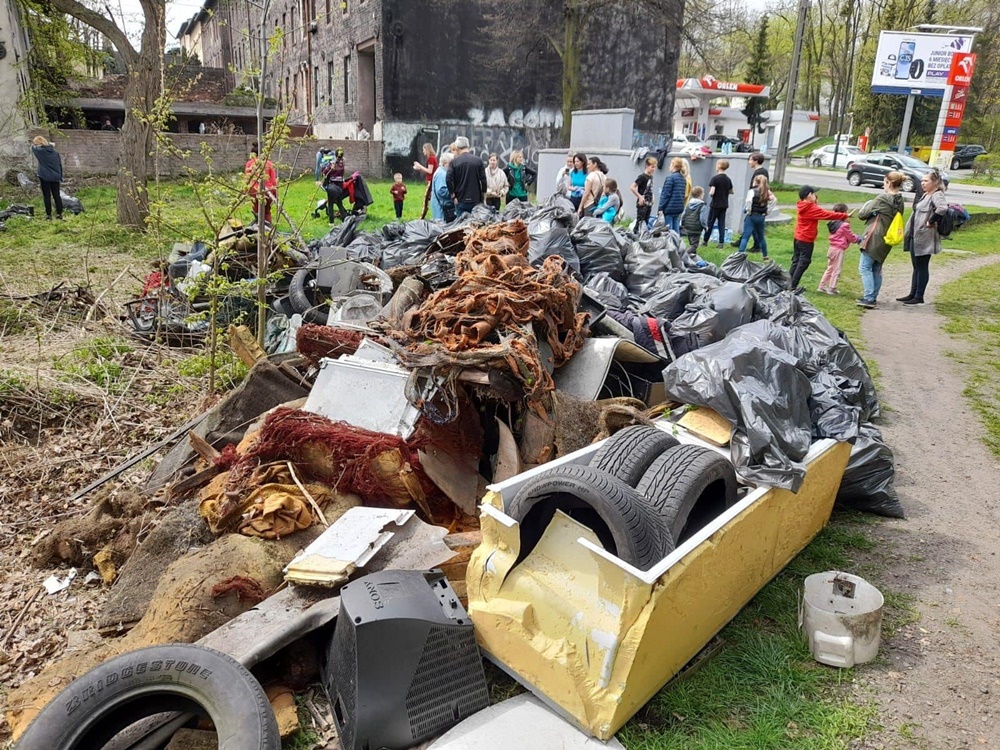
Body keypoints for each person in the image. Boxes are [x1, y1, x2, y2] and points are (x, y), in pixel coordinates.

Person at [856, 172, 905, 308]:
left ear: (889, 183)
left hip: (874, 236)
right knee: (876, 268)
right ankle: (873, 296)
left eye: (884, 182)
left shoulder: (882, 198)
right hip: (887, 237)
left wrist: (869, 206)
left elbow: (862, 215)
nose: (884, 185)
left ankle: (869, 298)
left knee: (865, 267)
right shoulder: (900, 200)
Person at [899, 169, 948, 305]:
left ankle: (919, 296)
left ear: (935, 182)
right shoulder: (926, 195)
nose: (922, 183)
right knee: (916, 266)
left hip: (925, 236)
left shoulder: (937, 195)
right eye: (922, 180)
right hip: (916, 235)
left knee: (922, 266)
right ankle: (912, 293)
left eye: (926, 181)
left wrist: (931, 221)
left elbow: (942, 208)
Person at [790, 185, 849, 291]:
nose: (815, 196)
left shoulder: (802, 205)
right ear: (809, 195)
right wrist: (843, 215)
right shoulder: (811, 208)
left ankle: (788, 283)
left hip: (798, 237)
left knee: (796, 261)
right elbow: (826, 214)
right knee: (804, 262)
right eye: (813, 194)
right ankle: (792, 286)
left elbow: (816, 210)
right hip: (806, 239)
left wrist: (814, 201)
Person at [818, 203, 862, 295]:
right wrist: (858, 239)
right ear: (844, 212)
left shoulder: (832, 223)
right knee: (837, 269)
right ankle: (832, 287)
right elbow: (850, 237)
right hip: (838, 250)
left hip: (831, 248)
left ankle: (822, 286)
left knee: (830, 268)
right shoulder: (844, 225)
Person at [446, 136, 487, 216]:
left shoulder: (454, 162)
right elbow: (484, 180)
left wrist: (453, 195)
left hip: (460, 199)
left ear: (457, 147)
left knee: (461, 225)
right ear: (468, 146)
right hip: (476, 200)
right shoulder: (478, 161)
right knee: (476, 225)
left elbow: (448, 179)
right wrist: (484, 197)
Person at [737, 174, 771, 258]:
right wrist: (767, 211)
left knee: (746, 236)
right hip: (761, 217)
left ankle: (740, 254)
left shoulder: (752, 191)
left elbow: (748, 202)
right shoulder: (767, 191)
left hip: (752, 216)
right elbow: (774, 200)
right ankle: (765, 255)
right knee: (761, 237)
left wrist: (748, 210)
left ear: (755, 181)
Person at [31, 136, 64, 221]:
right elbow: (59, 165)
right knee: (57, 195)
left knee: (47, 196)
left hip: (44, 177)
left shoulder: (39, 151)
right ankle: (59, 214)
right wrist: (60, 176)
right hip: (56, 176)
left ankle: (49, 215)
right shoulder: (55, 152)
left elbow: (32, 147)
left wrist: (39, 145)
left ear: (39, 144)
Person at [702, 159, 733, 247]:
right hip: (724, 204)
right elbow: (731, 191)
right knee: (721, 223)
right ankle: (721, 242)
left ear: (719, 166)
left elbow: (712, 191)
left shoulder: (715, 179)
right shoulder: (728, 179)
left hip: (715, 204)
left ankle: (705, 240)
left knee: (710, 222)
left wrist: (709, 195)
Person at [244, 143, 277, 226]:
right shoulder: (269, 164)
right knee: (267, 211)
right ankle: (268, 229)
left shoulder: (249, 164)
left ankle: (259, 229)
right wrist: (275, 195)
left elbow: (247, 180)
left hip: (253, 191)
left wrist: (245, 192)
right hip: (268, 190)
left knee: (257, 211)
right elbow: (273, 181)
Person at [657, 157, 687, 232]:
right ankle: (677, 242)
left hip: (669, 208)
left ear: (673, 166)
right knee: (676, 229)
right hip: (678, 207)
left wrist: (660, 208)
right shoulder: (683, 179)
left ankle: (670, 243)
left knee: (668, 230)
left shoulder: (670, 178)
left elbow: (665, 194)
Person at [322, 146, 348, 223]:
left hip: (332, 186)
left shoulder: (332, 164)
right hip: (340, 187)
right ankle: (344, 220)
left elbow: (325, 172)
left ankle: (331, 222)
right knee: (339, 203)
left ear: (335, 155)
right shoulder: (342, 164)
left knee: (330, 204)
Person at [413, 143, 438, 220]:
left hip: (431, 181)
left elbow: (430, 171)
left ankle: (421, 218)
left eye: (423, 149)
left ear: (427, 150)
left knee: (426, 199)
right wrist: (420, 169)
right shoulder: (433, 158)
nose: (423, 151)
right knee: (431, 199)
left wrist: (420, 166)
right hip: (432, 181)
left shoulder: (431, 158)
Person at [630, 157, 657, 230]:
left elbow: (650, 188)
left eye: (654, 167)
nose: (653, 169)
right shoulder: (642, 177)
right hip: (642, 203)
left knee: (646, 221)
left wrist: (653, 197)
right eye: (652, 167)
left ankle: (643, 235)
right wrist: (640, 197)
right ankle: (636, 234)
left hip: (649, 203)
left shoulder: (651, 177)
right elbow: (632, 187)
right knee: (640, 221)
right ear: (647, 166)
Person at [681, 186, 709, 252]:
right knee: (694, 245)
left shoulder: (688, 204)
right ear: (700, 195)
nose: (704, 194)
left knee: (691, 243)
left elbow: (684, 215)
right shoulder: (702, 205)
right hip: (696, 228)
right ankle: (684, 254)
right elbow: (702, 219)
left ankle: (692, 257)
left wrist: (682, 224)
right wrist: (705, 226)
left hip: (687, 227)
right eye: (703, 193)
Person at [431, 151, 456, 222]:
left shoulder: (442, 172)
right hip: (442, 213)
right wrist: (455, 191)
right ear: (445, 163)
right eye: (451, 163)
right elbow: (442, 192)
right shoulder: (441, 174)